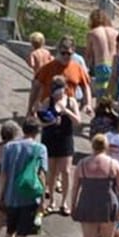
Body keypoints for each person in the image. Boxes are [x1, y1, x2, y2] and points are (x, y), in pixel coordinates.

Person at [0, 118, 46, 237]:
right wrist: (44, 198)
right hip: (28, 196)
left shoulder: (10, 147)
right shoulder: (40, 148)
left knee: (9, 232)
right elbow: (41, 174)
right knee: (22, 235)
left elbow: (3, 174)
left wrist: (0, 196)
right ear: (37, 132)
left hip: (10, 196)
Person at [71, 133, 119, 237]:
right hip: (107, 203)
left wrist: (73, 205)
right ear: (106, 146)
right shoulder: (113, 164)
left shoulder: (82, 164)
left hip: (87, 202)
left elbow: (75, 187)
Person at [36, 77, 80, 214]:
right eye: (54, 89)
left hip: (65, 138)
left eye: (59, 88)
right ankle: (52, 200)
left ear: (65, 88)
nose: (56, 92)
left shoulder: (70, 101)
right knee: (51, 171)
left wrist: (66, 112)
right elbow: (40, 122)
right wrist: (51, 121)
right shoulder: (47, 101)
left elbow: (78, 121)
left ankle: (64, 202)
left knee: (66, 171)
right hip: (50, 138)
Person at [86, 7, 118, 103]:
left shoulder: (92, 33)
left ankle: (101, 115)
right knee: (113, 95)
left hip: (101, 65)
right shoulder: (116, 33)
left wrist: (87, 69)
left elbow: (89, 54)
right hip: (114, 65)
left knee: (101, 96)